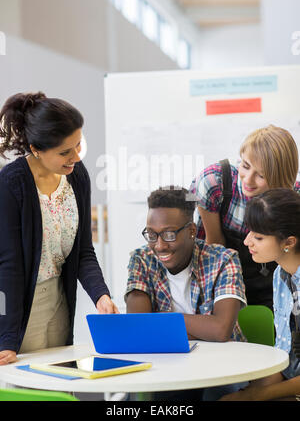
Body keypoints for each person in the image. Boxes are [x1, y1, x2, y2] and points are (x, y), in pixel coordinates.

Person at [0, 92, 118, 365]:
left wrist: (101, 294)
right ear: (36, 149)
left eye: (78, 145)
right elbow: (9, 266)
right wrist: (6, 338)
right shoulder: (11, 184)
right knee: (29, 386)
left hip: (60, 299)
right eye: (65, 152)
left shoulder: (76, 175)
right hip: (22, 305)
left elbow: (83, 251)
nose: (75, 156)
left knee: (62, 381)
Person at [189, 125, 300, 311]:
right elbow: (214, 244)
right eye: (245, 166)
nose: (247, 180)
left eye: (261, 175)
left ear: (280, 178)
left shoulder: (293, 199)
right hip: (226, 273)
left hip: (279, 280)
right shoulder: (214, 182)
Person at [125, 186, 246, 344]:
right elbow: (138, 328)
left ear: (191, 231)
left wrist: (160, 320)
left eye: (169, 234)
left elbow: (221, 330)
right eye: (152, 235)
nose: (159, 246)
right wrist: (203, 330)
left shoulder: (223, 260)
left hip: (223, 362)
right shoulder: (141, 260)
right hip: (167, 362)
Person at [220, 188, 300, 401]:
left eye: (258, 237)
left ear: (289, 242)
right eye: (249, 233)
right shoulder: (280, 276)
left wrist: (257, 395)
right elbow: (285, 356)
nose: (247, 242)